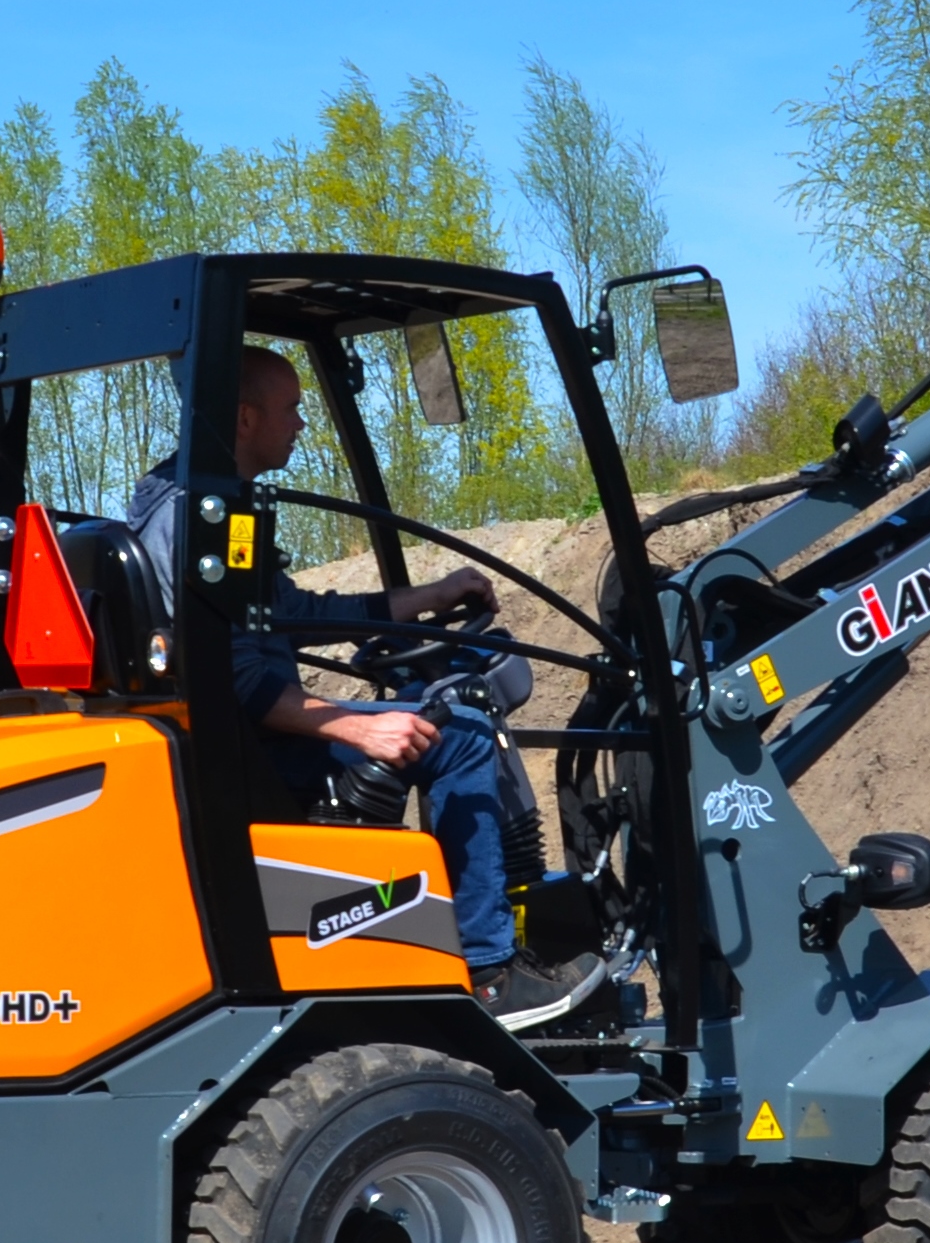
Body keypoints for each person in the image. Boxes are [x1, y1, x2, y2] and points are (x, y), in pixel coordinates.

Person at [129, 346, 602, 1028]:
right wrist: (355, 726)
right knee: (463, 732)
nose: (300, 424)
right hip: (247, 753)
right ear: (243, 416)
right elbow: (232, 679)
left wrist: (430, 594)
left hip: (240, 742)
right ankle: (489, 971)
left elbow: (292, 617)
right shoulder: (195, 521)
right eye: (291, 408)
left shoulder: (199, 505)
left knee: (432, 715)